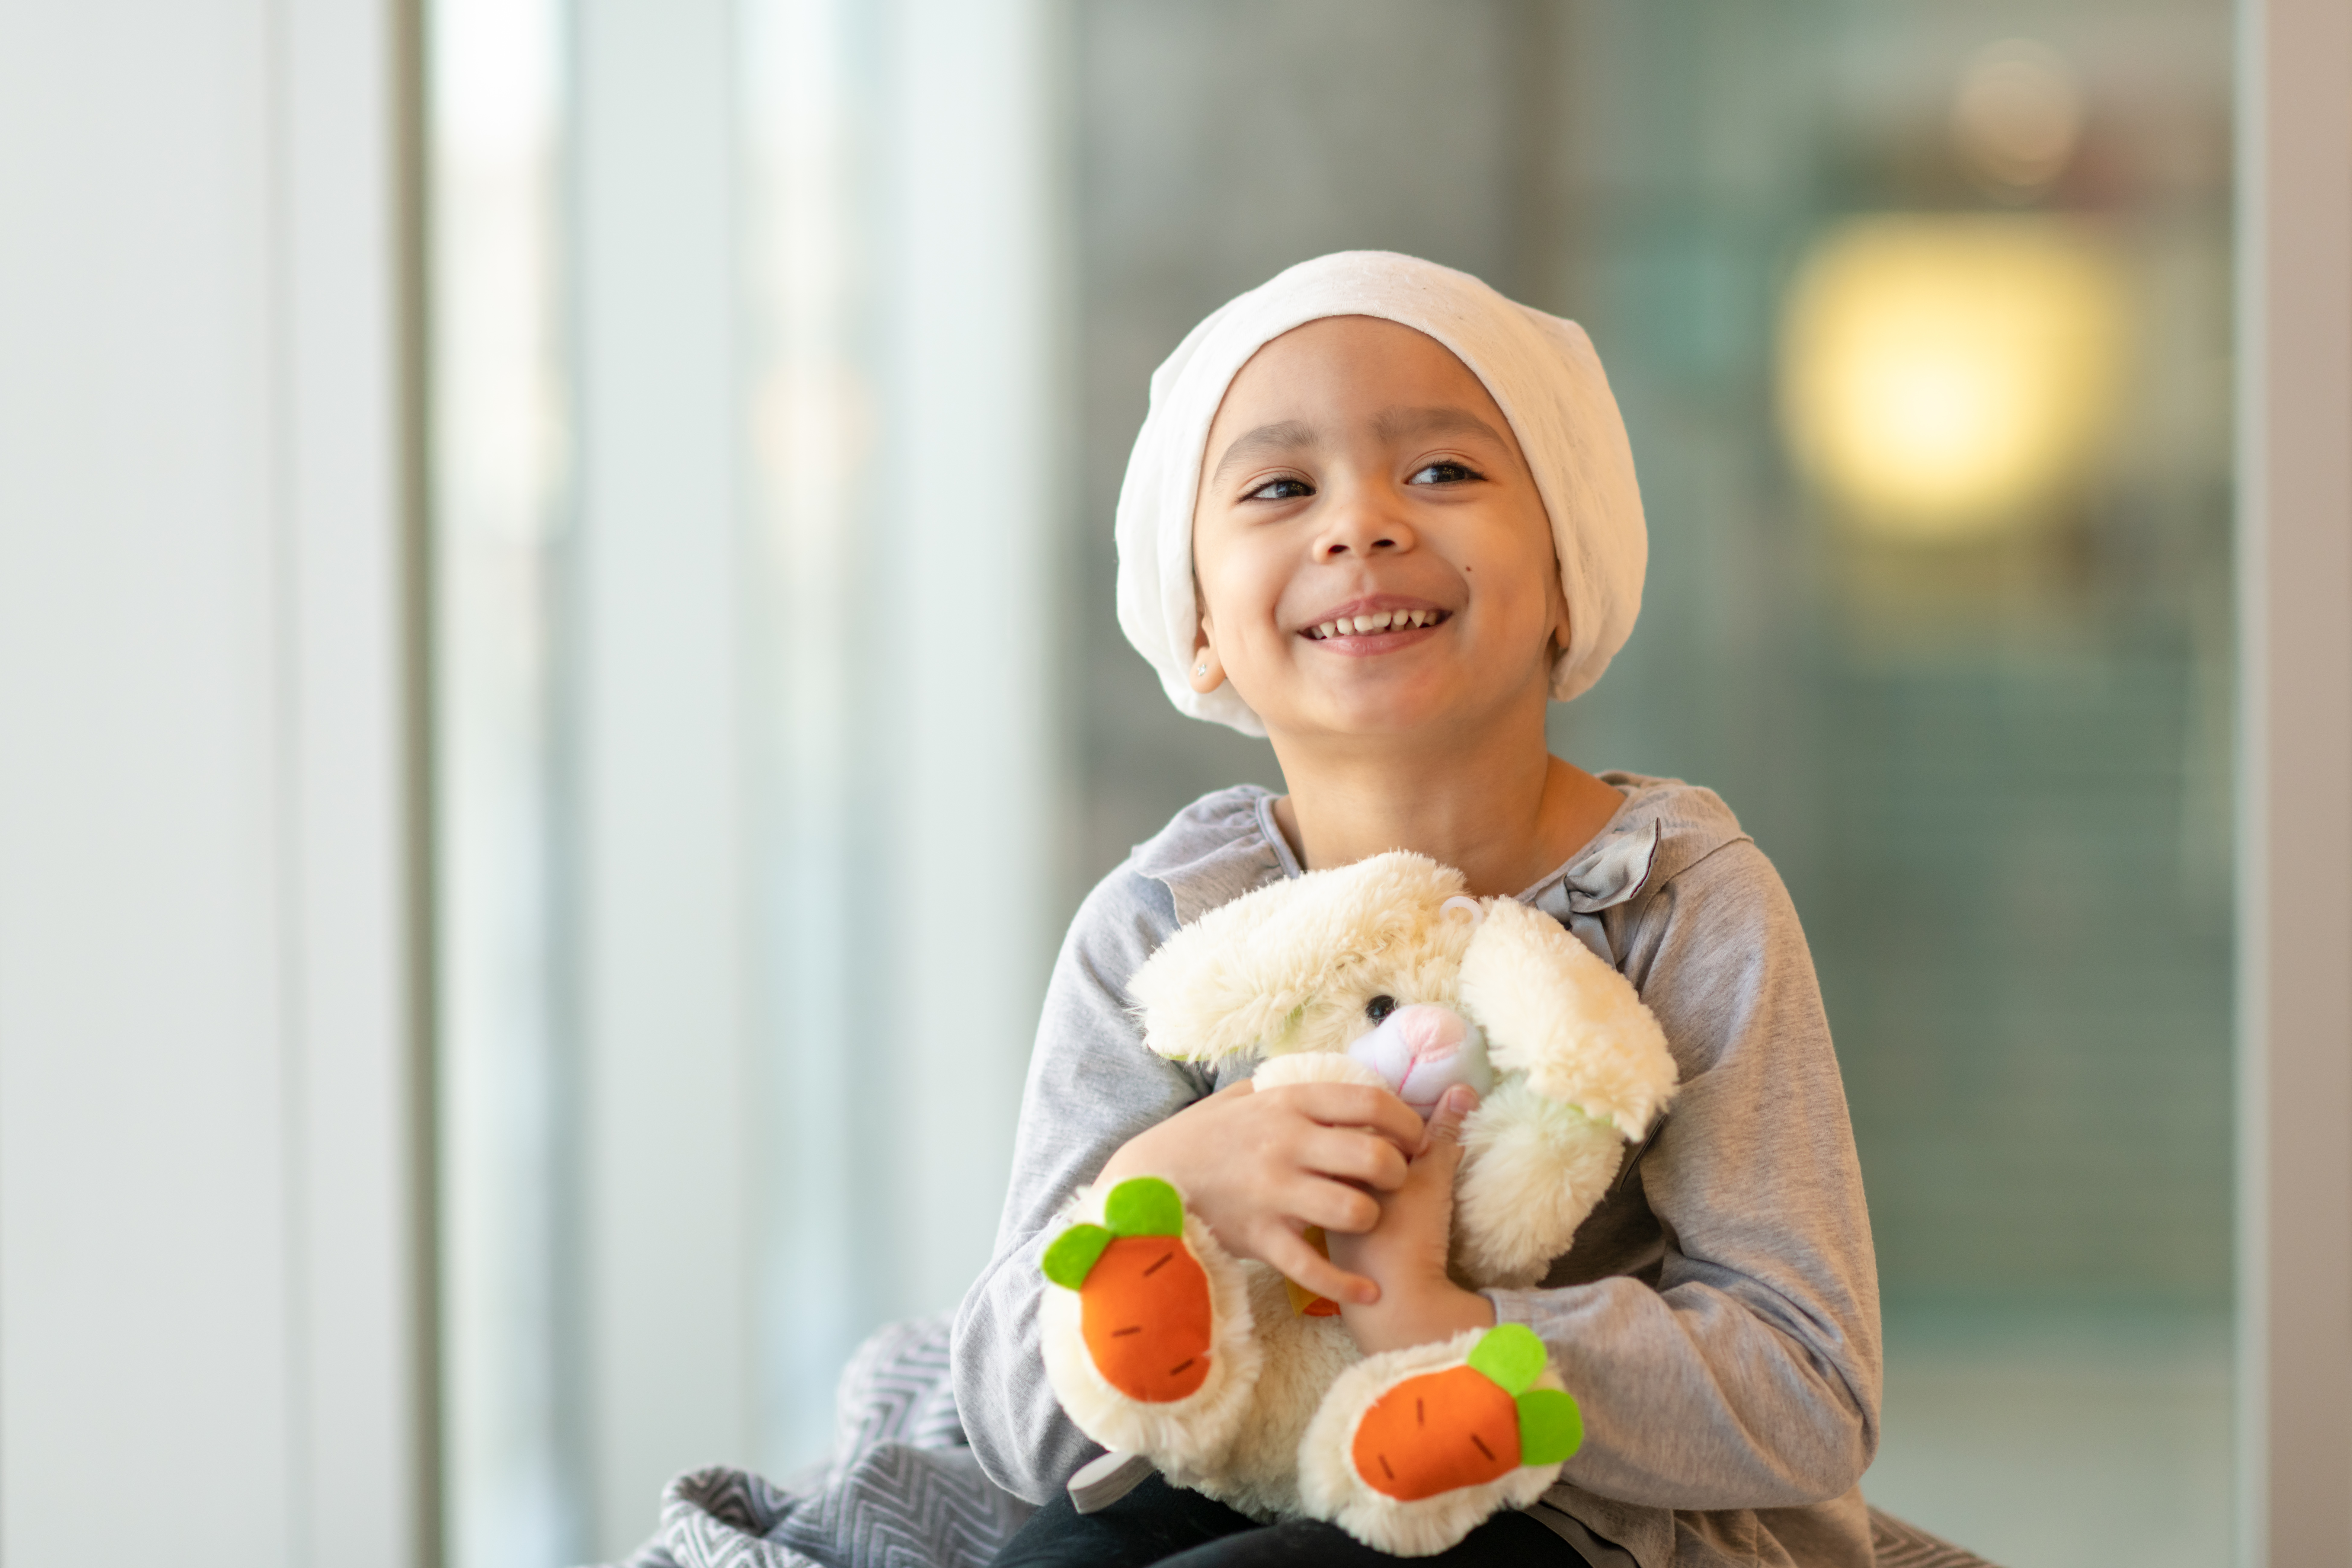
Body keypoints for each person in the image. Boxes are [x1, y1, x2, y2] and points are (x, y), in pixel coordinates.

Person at [951, 252, 1881, 1568]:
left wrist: (1445, 1323)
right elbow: (1013, 1425)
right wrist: (1155, 1186)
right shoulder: (1164, 924)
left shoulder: (1681, 901)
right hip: (1246, 1466)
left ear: (1570, 570)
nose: (1359, 525)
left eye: (1440, 471)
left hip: (1590, 1525)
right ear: (1197, 618)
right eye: (1280, 487)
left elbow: (1810, 1391)